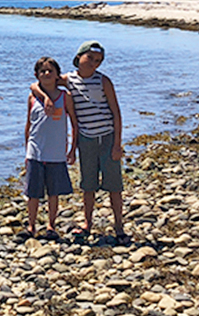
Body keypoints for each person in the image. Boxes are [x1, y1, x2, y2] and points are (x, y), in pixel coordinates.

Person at [32, 40, 129, 244]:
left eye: (98, 61)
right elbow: (35, 85)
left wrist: (117, 144)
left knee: (114, 185)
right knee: (88, 184)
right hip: (86, 138)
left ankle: (119, 225)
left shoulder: (103, 81)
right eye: (90, 58)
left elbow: (116, 112)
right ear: (79, 57)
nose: (94, 63)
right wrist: (45, 98)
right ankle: (88, 222)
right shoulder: (68, 80)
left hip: (107, 136)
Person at [19, 57, 78, 241]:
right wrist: (27, 149)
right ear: (37, 75)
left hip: (56, 153)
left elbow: (74, 124)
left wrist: (72, 149)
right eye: (42, 71)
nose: (46, 74)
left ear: (56, 75)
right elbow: (29, 124)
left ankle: (51, 226)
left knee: (53, 193)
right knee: (33, 193)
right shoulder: (33, 96)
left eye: (50, 71)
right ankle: (31, 226)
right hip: (35, 151)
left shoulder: (64, 96)